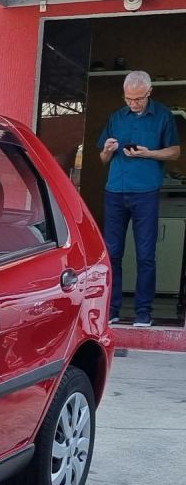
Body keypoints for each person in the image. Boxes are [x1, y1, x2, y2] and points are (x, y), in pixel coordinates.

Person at [98, 71, 181, 327]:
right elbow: (103, 159)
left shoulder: (163, 116)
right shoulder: (116, 118)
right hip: (115, 191)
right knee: (112, 253)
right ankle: (112, 309)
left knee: (146, 254)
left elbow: (175, 153)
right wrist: (107, 150)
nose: (133, 104)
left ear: (149, 93)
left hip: (146, 192)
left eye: (138, 99)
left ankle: (143, 312)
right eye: (128, 99)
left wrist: (148, 153)